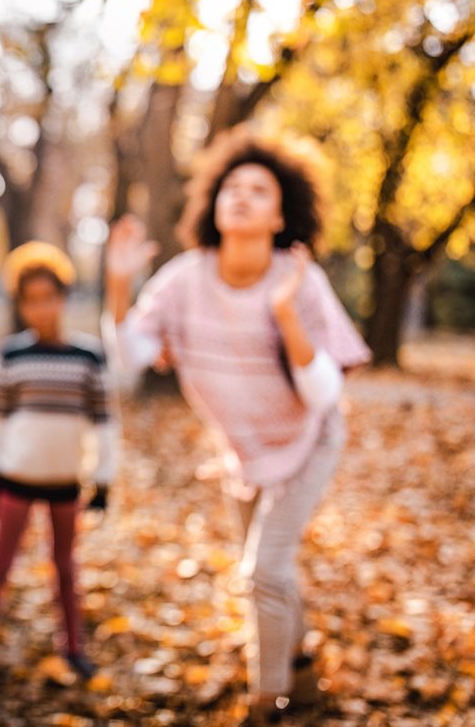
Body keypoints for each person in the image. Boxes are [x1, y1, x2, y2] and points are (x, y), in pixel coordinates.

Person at [102, 129, 370, 725]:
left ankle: (264, 703)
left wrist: (283, 312)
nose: (242, 197)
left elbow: (325, 391)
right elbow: (128, 359)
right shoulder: (183, 279)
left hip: (311, 439)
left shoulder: (300, 280)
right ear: (213, 204)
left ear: (282, 215)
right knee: (272, 571)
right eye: (232, 187)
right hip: (242, 449)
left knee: (263, 572)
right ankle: (300, 676)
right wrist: (118, 283)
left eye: (259, 190)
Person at [0, 242, 118, 692]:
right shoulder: (13, 356)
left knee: (65, 565)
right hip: (15, 478)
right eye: (31, 300)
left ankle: (73, 648)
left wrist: (103, 480)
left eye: (49, 297)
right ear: (22, 304)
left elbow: (106, 423)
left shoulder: (88, 358)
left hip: (65, 481)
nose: (41, 307)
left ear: (64, 298)